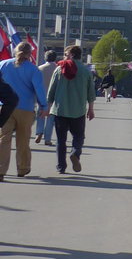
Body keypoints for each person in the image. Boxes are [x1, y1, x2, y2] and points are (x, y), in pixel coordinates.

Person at [0, 41, 48, 181]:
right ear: (30, 53)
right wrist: (43, 106)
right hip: (26, 108)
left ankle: (1, 170)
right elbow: (39, 89)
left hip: (5, 107)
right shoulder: (33, 70)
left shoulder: (3, 65)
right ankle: (22, 168)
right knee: (23, 140)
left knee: (4, 139)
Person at [47, 44, 95, 174]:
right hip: (78, 110)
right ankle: (75, 153)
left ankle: (61, 166)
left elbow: (51, 91)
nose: (64, 57)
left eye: (66, 54)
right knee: (79, 136)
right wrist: (91, 109)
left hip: (60, 110)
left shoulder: (59, 69)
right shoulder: (86, 72)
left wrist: (48, 107)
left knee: (61, 140)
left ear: (72, 55)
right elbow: (91, 93)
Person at [35, 48, 60, 147]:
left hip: (41, 95)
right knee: (51, 118)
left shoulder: (39, 68)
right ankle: (47, 139)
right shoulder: (58, 69)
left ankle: (39, 132)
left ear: (45, 58)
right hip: (54, 97)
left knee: (40, 115)